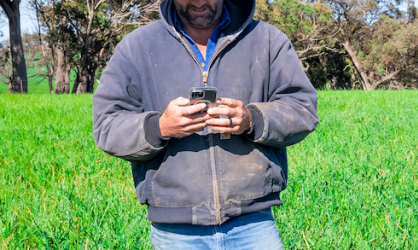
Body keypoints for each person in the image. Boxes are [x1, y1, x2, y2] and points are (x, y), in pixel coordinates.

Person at [91, 0, 319, 248]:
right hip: (175, 231)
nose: (199, 1)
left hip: (253, 223)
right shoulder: (136, 47)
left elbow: (302, 110)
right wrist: (160, 128)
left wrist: (252, 120)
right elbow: (106, 126)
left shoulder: (266, 40)